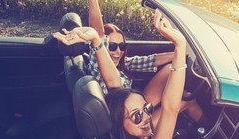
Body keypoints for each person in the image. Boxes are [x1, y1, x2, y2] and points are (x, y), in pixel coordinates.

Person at [54, 9, 239, 139]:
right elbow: (169, 109)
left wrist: (95, 39)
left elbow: (113, 82)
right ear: (119, 123)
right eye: (137, 116)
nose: (147, 118)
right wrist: (179, 47)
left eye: (146, 109)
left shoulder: (136, 134)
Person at [87, 0, 205, 128]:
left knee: (168, 70)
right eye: (112, 46)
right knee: (188, 101)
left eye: (122, 46)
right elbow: (97, 35)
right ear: (103, 47)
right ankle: (213, 132)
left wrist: (184, 52)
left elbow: (150, 60)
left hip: (135, 103)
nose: (118, 51)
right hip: (130, 121)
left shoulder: (121, 63)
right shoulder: (97, 64)